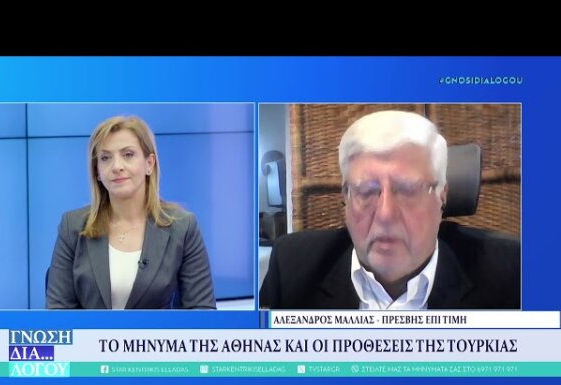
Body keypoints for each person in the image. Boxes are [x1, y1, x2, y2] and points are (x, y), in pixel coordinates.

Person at [260, 110, 520, 310]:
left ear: (442, 196)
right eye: (366, 190)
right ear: (346, 198)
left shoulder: (512, 274)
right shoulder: (292, 267)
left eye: (408, 190)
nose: (385, 215)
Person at [46, 116, 216, 309]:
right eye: (105, 158)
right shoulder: (72, 227)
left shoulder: (183, 228)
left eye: (128, 154)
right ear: (97, 171)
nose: (117, 166)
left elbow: (202, 310)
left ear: (149, 163)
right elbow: (58, 312)